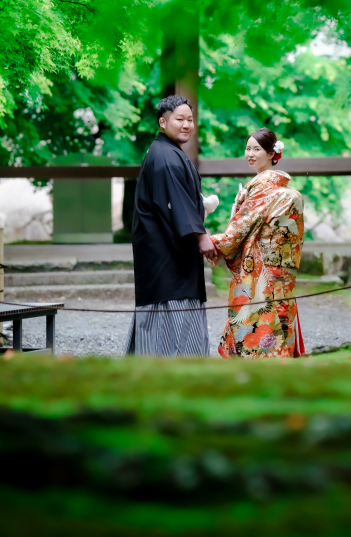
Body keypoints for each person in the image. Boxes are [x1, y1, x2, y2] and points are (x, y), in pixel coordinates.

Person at [126, 94, 218, 358]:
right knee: (172, 321)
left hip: (165, 253)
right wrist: (201, 236)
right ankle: (177, 376)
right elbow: (177, 202)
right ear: (163, 122)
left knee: (161, 319)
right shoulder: (165, 156)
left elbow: (178, 200)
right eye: (180, 119)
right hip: (167, 257)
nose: (187, 124)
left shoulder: (167, 152)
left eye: (190, 119)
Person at [211, 128, 305, 358]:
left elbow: (242, 225)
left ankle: (259, 361)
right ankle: (278, 358)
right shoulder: (274, 185)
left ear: (273, 153)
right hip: (279, 265)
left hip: (261, 265)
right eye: (248, 148)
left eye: (257, 149)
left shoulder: (263, 185)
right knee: (276, 311)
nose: (250, 154)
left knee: (257, 312)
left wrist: (214, 242)